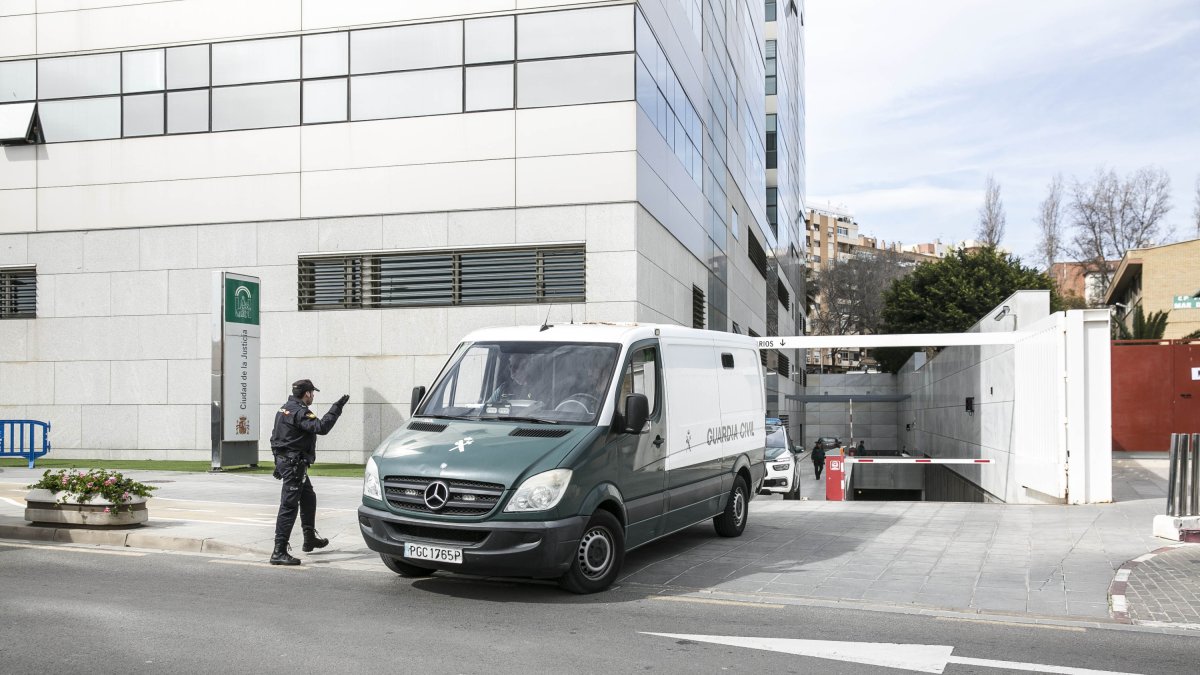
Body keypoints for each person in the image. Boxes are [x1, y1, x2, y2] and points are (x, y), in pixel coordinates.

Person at [269, 379, 349, 566]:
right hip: (294, 464)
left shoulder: (284, 408)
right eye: (312, 393)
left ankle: (309, 538)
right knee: (289, 507)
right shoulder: (300, 411)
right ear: (307, 394)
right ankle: (279, 551)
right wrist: (336, 409)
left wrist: (278, 464)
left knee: (308, 497)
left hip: (289, 462)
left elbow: (276, 437)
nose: (313, 396)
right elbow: (321, 427)